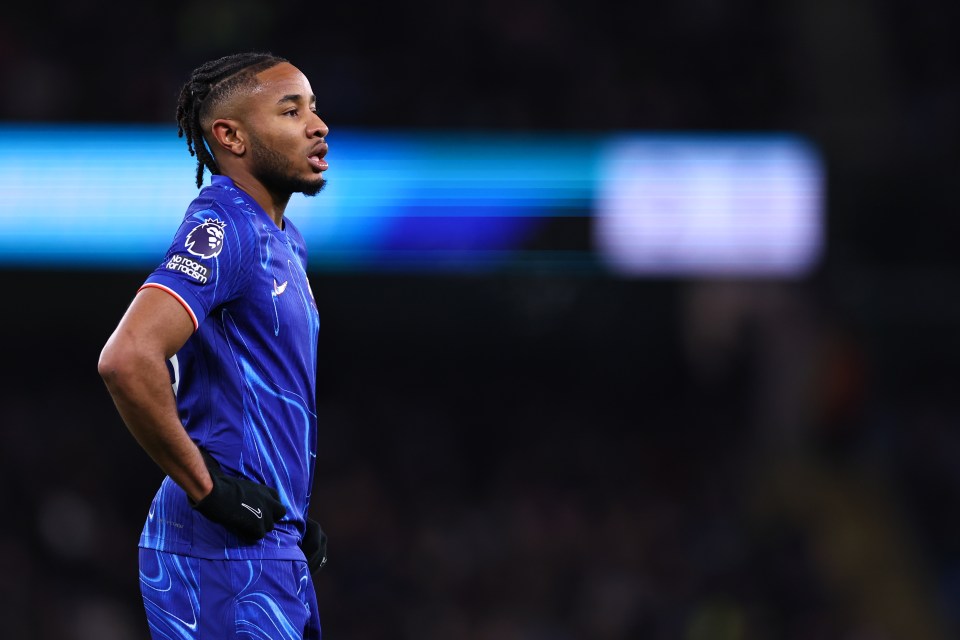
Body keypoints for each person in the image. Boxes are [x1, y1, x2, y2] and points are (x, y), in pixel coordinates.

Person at [98, 52, 329, 639]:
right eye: (290, 109)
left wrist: (290, 509)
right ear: (231, 136)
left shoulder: (284, 240)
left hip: (265, 542)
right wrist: (209, 490)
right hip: (220, 550)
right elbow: (128, 358)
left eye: (313, 107)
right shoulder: (224, 224)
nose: (317, 124)